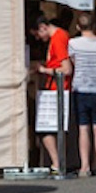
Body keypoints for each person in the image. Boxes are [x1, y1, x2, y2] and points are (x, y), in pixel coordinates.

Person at [67, 12, 96, 177]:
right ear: (95, 25)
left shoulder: (73, 43)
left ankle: (84, 166)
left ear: (78, 26)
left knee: (83, 128)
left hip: (80, 89)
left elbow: (73, 63)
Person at [32, 15, 72, 174]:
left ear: (43, 27)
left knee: (45, 128)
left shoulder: (58, 38)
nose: (38, 38)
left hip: (58, 88)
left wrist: (44, 70)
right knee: (53, 128)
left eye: (37, 34)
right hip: (56, 87)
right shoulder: (60, 36)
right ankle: (58, 162)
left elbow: (66, 69)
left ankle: (57, 163)